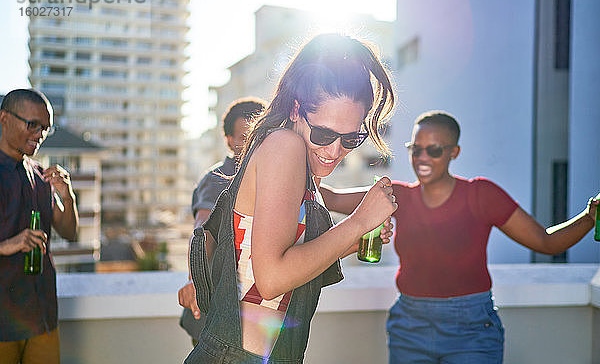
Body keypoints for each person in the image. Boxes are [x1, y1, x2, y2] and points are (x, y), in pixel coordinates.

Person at [183, 33, 398, 363]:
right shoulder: (285, 145)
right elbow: (271, 281)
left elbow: (282, 261)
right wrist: (358, 223)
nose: (334, 150)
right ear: (297, 109)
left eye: (351, 137)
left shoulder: (302, 163)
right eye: (324, 133)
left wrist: (354, 239)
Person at [320, 110, 599, 364]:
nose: (422, 158)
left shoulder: (482, 195)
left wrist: (588, 218)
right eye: (415, 150)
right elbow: (330, 197)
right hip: (410, 326)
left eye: (434, 150)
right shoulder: (397, 195)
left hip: (472, 330)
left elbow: (546, 242)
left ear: (454, 152)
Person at [178, 96, 267, 345]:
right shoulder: (218, 179)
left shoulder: (274, 175)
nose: (252, 144)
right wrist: (195, 281)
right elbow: (202, 232)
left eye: (260, 134)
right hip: (215, 308)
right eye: (244, 137)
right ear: (229, 141)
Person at [0, 89, 79, 364]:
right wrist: (10, 244)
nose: (40, 134)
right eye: (32, 124)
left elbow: (69, 233)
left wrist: (67, 196)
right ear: (4, 119)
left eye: (46, 128)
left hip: (42, 315)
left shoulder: (40, 174)